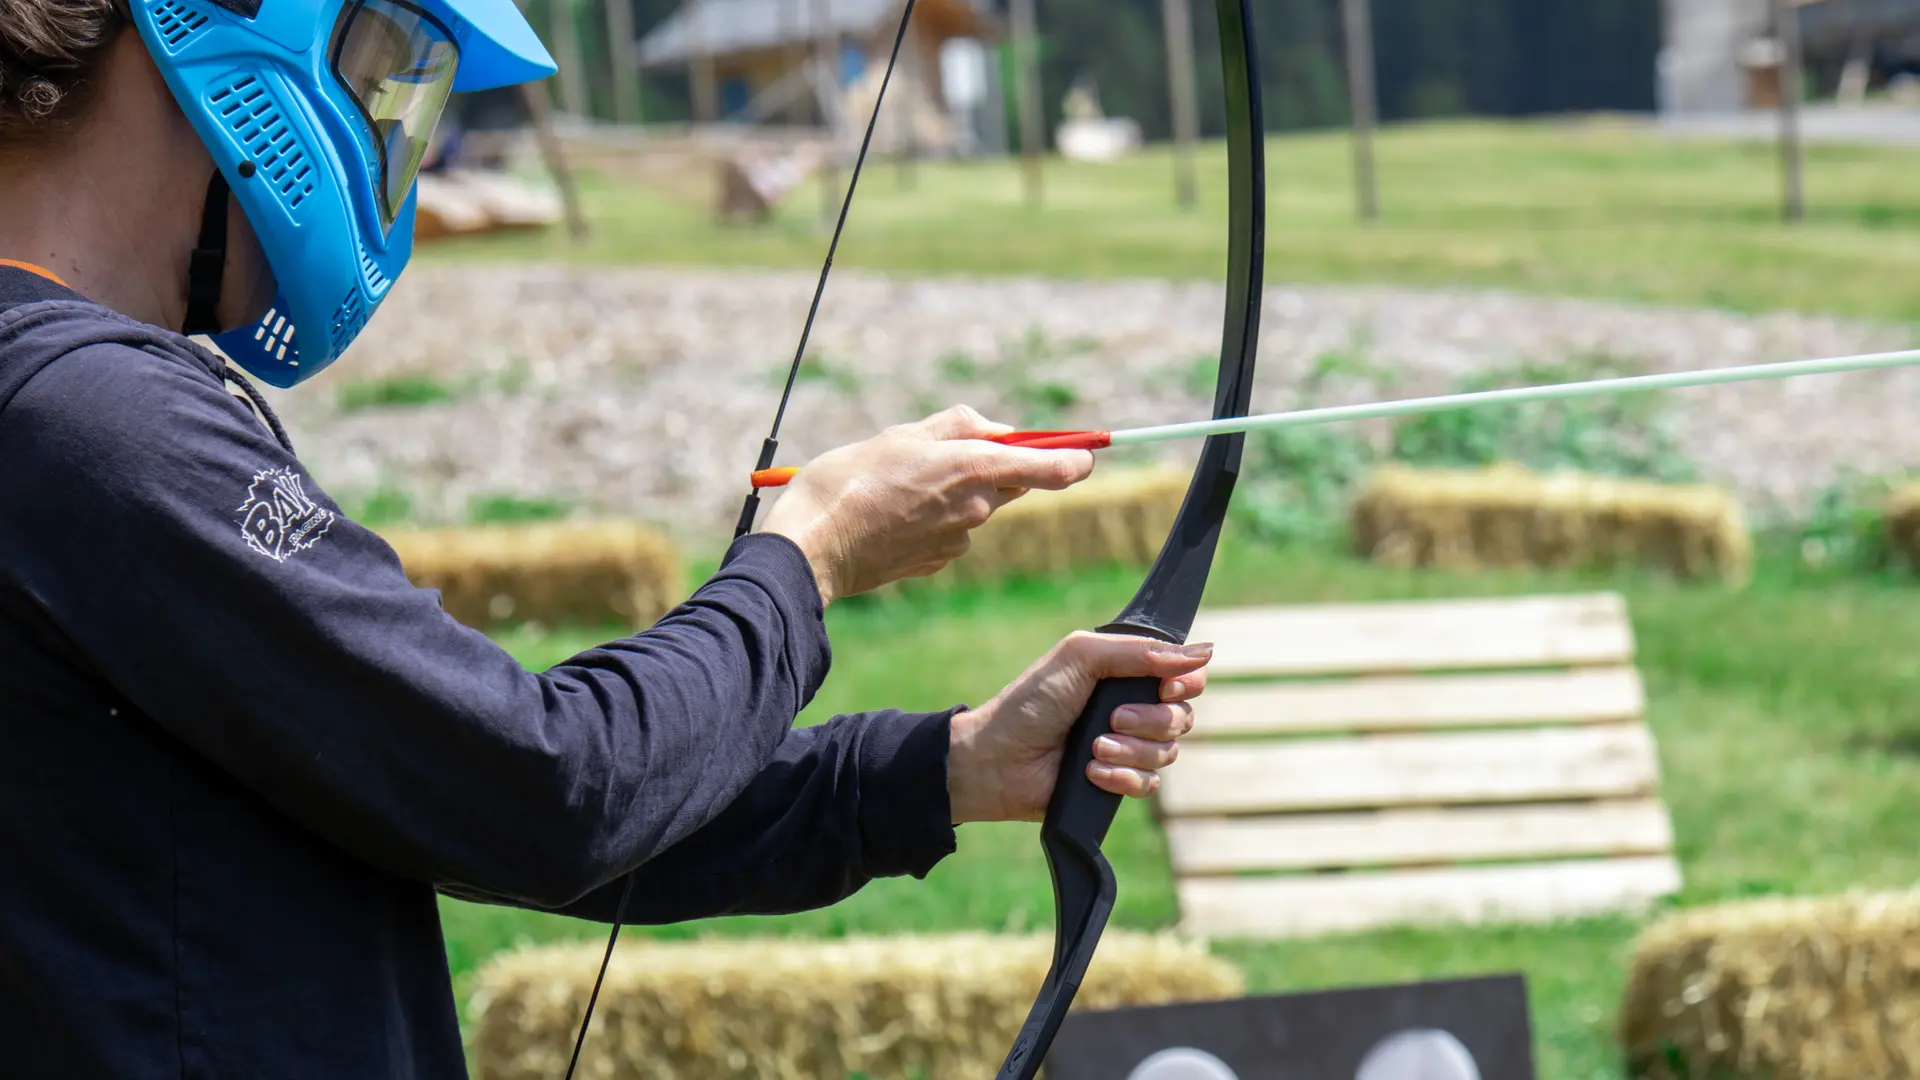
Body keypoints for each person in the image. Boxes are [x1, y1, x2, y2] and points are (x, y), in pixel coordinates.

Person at [0, 1, 1212, 1078]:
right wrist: (811, 553)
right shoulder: (86, 422)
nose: (391, 138)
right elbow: (546, 788)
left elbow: (441, 779)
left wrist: (946, 770)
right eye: (386, 62)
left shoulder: (64, 409)